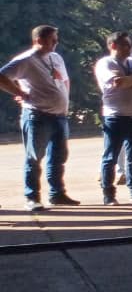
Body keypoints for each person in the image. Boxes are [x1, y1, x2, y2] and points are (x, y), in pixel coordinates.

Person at [0, 24, 76, 209]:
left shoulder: (56, 58)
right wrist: (20, 93)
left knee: (58, 156)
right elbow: (2, 77)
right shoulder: (26, 60)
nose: (56, 43)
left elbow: (64, 80)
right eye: (52, 40)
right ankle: (32, 197)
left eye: (56, 40)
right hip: (37, 114)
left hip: (59, 115)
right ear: (38, 40)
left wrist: (64, 99)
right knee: (34, 157)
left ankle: (57, 194)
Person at [93, 31, 132, 205]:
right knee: (110, 157)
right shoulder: (105, 63)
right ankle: (108, 194)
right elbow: (118, 83)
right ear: (113, 45)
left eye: (130, 45)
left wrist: (131, 80)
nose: (130, 48)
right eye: (125, 45)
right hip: (115, 116)